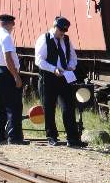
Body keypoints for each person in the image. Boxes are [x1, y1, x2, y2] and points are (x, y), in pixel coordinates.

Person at [35, 15, 83, 147]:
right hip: (48, 77)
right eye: (60, 30)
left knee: (68, 107)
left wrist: (70, 66)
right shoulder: (44, 39)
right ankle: (52, 136)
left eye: (64, 31)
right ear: (54, 27)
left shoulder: (66, 40)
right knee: (49, 108)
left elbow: (73, 57)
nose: (62, 33)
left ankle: (72, 138)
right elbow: (39, 60)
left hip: (64, 77)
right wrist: (53, 69)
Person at [0, 14, 25, 146]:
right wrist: (16, 76)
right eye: (12, 24)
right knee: (14, 105)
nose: (13, 27)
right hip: (6, 72)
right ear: (8, 24)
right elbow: (8, 58)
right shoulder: (6, 37)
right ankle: (14, 137)